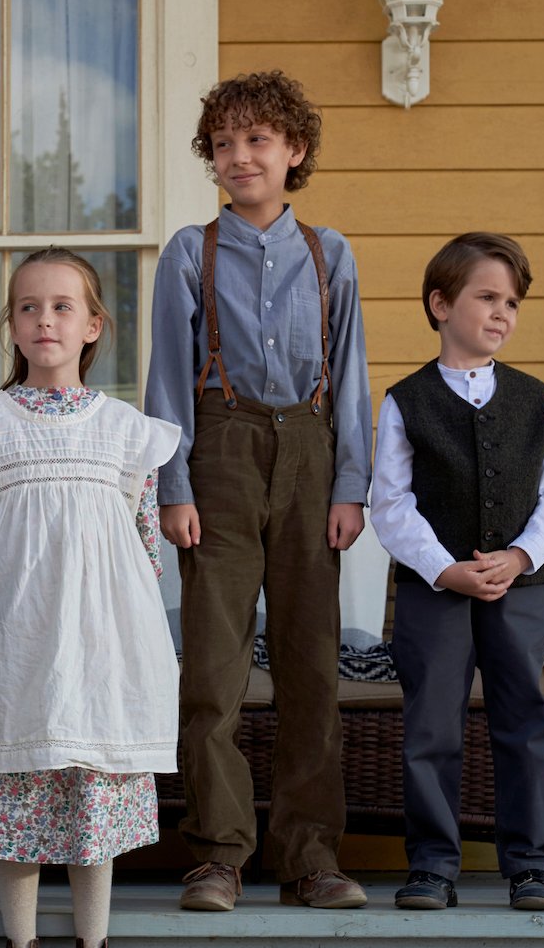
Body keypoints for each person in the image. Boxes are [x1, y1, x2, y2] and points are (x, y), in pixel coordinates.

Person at [144, 70, 373, 912]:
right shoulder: (188, 252)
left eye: (259, 140)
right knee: (213, 667)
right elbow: (166, 378)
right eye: (226, 143)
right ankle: (218, 854)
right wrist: (173, 486)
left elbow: (350, 380)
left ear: (294, 152)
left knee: (312, 667)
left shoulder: (331, 254)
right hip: (221, 451)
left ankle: (311, 856)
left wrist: (351, 484)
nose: (241, 156)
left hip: (311, 453)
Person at [0, 248, 180, 948]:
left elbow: (144, 551)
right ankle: (22, 940)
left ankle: (91, 941)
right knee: (17, 785)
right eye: (29, 307)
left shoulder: (129, 433)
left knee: (90, 797)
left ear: (94, 325)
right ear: (11, 324)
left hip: (103, 641)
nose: (45, 320)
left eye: (63, 306)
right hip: (13, 640)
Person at [370, 232, 544, 912]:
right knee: (431, 725)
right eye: (486, 297)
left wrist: (521, 555)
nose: (501, 313)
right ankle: (432, 864)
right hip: (434, 593)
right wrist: (442, 569)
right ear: (440, 304)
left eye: (512, 303)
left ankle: (533, 865)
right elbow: (391, 502)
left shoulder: (536, 399)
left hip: (521, 589)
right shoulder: (405, 401)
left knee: (525, 719)